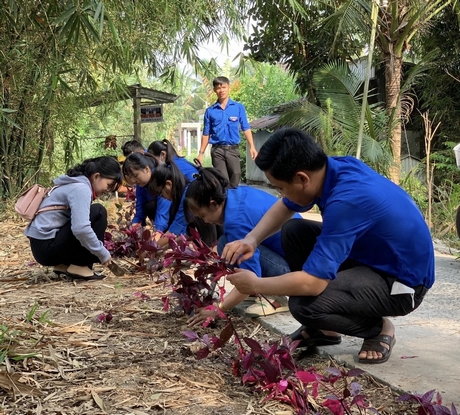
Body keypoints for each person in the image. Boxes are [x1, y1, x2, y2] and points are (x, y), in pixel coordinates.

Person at [222, 127, 434, 365]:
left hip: (403, 285)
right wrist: (251, 239)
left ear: (302, 178)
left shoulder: (346, 202)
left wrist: (257, 285)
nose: (281, 194)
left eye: (281, 187)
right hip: (371, 259)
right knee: (294, 231)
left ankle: (378, 328)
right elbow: (286, 206)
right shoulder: (335, 168)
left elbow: (312, 283)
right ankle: (323, 330)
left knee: (304, 305)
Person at [184, 167, 304, 326]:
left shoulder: (236, 222)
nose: (205, 222)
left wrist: (218, 309)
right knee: (224, 243)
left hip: (296, 272)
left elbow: (250, 273)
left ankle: (276, 297)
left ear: (213, 204)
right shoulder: (236, 194)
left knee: (228, 246)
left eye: (203, 216)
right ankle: (261, 291)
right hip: (298, 257)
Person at [25, 156, 123, 281]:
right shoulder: (81, 189)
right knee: (98, 211)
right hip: (47, 248)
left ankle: (64, 264)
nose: (108, 190)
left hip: (42, 246)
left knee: (90, 214)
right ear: (96, 176)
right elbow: (81, 229)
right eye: (109, 185)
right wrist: (102, 253)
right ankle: (81, 265)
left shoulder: (73, 184)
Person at [196, 76, 258, 187]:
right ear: (215, 90)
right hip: (217, 150)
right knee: (222, 180)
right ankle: (224, 201)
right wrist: (200, 154)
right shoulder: (210, 111)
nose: (221, 90)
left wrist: (252, 147)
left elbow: (246, 128)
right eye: (218, 88)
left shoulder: (238, 107)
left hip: (233, 149)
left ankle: (232, 201)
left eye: (224, 87)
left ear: (228, 88)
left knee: (236, 175)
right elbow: (206, 133)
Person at [150, 162, 216, 247]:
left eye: (161, 193)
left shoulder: (188, 197)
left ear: (168, 184)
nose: (163, 197)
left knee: (201, 219)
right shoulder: (183, 193)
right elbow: (185, 233)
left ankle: (211, 248)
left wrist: (152, 248)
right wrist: (162, 249)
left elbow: (174, 231)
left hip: (218, 228)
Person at [122, 152, 171, 231]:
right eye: (130, 177)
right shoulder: (140, 185)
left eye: (135, 176)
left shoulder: (159, 180)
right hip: (161, 217)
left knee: (151, 206)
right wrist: (134, 227)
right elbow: (140, 209)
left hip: (174, 215)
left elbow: (162, 213)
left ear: (146, 169)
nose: (133, 180)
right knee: (148, 207)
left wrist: (157, 234)